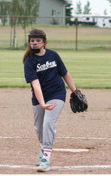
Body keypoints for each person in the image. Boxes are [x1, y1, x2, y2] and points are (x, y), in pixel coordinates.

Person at [23, 29, 78, 172]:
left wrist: (75, 91)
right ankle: (43, 149)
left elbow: (65, 73)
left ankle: (46, 158)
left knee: (48, 123)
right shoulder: (29, 61)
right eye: (32, 41)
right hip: (40, 97)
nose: (34, 43)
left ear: (44, 43)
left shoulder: (53, 55)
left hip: (57, 93)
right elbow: (35, 84)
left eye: (38, 41)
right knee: (39, 128)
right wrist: (41, 103)